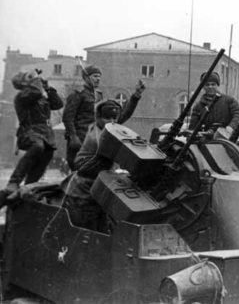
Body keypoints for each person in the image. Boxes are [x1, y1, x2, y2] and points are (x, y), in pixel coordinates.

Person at [0, 70, 64, 207]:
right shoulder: (22, 96)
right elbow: (35, 92)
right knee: (37, 146)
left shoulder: (40, 96)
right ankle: (14, 181)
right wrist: (36, 80)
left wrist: (48, 87)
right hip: (30, 131)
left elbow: (58, 104)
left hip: (46, 133)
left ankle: (28, 188)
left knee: (47, 154)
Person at [62, 64, 145, 170]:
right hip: (80, 139)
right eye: (95, 76)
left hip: (97, 139)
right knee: (79, 173)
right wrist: (73, 137)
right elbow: (67, 118)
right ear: (86, 78)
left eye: (99, 76)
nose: (98, 79)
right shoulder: (78, 94)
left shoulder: (98, 96)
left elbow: (120, 117)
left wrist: (135, 97)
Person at [62, 100, 122, 232]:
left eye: (114, 118)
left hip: (96, 192)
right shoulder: (97, 138)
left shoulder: (103, 130)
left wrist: (135, 97)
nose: (112, 122)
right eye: (108, 118)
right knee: (85, 234)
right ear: (99, 118)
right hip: (82, 194)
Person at [189, 71, 239, 137]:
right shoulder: (198, 106)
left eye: (213, 84)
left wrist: (231, 127)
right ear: (203, 86)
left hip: (226, 137)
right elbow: (193, 126)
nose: (210, 87)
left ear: (217, 85)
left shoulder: (229, 100)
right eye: (207, 84)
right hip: (206, 139)